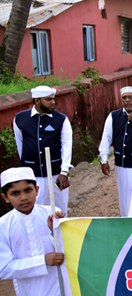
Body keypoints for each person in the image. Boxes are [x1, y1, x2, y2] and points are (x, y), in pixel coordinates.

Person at [0, 167, 66, 296]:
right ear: (5, 197)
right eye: (15, 193)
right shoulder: (3, 225)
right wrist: (42, 261)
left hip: (58, 285)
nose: (23, 197)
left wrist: (56, 232)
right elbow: (5, 269)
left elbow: (70, 249)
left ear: (36, 191)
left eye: (28, 190)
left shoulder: (52, 212)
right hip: (28, 290)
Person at [13, 85, 72, 215]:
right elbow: (21, 147)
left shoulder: (61, 119)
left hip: (56, 174)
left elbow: (67, 146)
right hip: (32, 176)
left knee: (59, 211)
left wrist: (64, 172)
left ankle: (60, 236)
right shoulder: (20, 119)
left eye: (53, 99)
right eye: (48, 99)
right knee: (34, 211)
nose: (53, 102)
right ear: (37, 100)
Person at [99, 86, 132, 216]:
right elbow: (106, 138)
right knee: (124, 198)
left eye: (131, 97)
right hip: (121, 165)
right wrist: (104, 160)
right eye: (124, 98)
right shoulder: (113, 116)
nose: (127, 100)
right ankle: (127, 226)